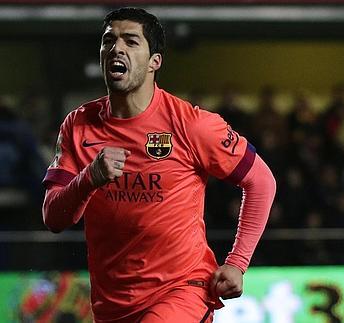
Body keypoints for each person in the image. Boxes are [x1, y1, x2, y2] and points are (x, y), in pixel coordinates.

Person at [42, 7, 276, 323]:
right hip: (112, 304)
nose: (116, 49)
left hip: (182, 290)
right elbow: (53, 217)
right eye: (108, 40)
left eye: (131, 41)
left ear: (155, 61)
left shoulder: (192, 125)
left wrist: (237, 262)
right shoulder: (78, 125)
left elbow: (261, 181)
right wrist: (89, 178)